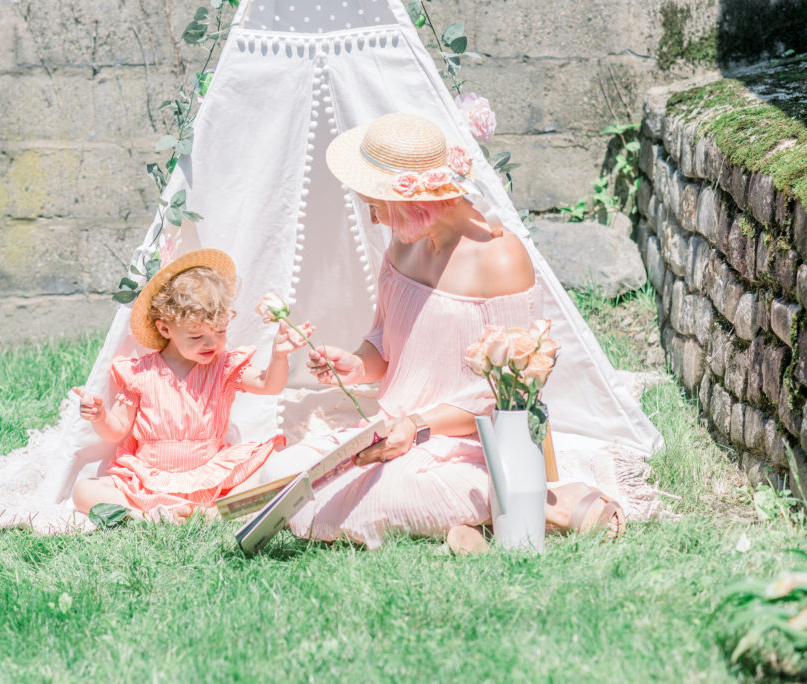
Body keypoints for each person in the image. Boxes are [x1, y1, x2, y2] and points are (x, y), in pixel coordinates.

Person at [252, 112, 624, 552]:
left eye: (377, 205)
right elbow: (386, 345)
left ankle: (538, 502)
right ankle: (485, 516)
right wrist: (354, 364)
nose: (374, 219)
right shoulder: (404, 241)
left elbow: (513, 399)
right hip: (393, 433)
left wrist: (419, 425)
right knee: (277, 476)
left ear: (416, 203)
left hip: (475, 444)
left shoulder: (498, 259)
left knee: (369, 501)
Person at [71, 248, 314, 522]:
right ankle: (148, 516)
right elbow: (116, 431)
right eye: (197, 336)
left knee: (278, 461)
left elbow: (268, 385)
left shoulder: (223, 367)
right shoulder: (141, 372)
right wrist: (101, 416)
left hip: (210, 474)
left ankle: (211, 513)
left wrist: (279, 356)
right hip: (150, 479)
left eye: (220, 331)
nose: (211, 344)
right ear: (166, 330)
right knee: (84, 490)